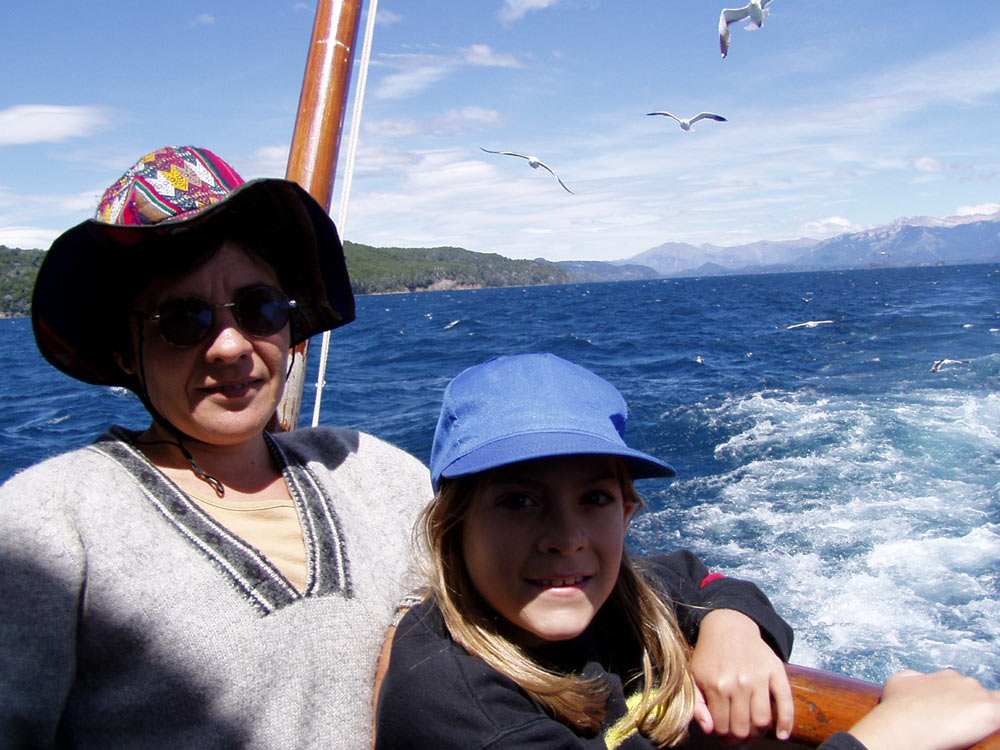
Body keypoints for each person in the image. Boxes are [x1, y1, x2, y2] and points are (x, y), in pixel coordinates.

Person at [0, 146, 432, 749]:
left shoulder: (379, 474)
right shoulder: (48, 523)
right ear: (125, 350)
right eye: (183, 319)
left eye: (259, 308)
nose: (230, 346)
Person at [374, 353, 1000, 750]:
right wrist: (891, 739)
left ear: (627, 511)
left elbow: (699, 577)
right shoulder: (457, 708)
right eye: (518, 501)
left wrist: (733, 628)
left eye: (594, 498)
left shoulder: (615, 595)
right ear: (453, 525)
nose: (567, 537)